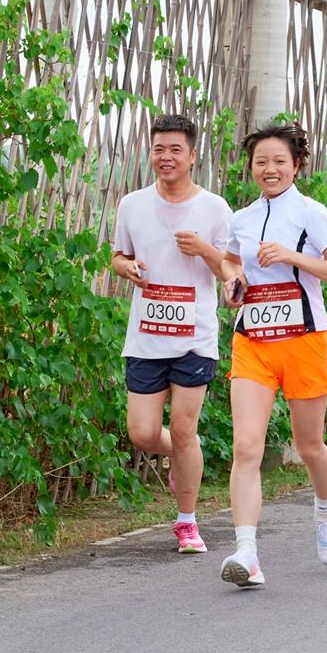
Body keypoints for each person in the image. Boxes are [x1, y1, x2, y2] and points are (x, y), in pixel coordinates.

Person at [218, 124, 327, 588]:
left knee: (308, 446)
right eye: (261, 162)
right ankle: (246, 553)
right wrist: (232, 282)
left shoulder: (311, 213)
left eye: (279, 161)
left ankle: (324, 508)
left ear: (297, 164)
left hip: (304, 340)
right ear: (251, 167)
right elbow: (234, 262)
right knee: (246, 446)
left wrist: (293, 259)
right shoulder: (241, 218)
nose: (269, 169)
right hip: (253, 339)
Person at [111, 114, 232, 555]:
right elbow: (118, 255)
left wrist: (204, 248)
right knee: (143, 433)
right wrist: (126, 268)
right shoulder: (132, 204)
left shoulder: (215, 208)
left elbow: (231, 271)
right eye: (159, 148)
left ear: (192, 155)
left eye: (175, 149)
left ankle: (187, 523)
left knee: (184, 428)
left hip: (195, 335)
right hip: (146, 334)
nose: (166, 157)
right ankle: (184, 456)